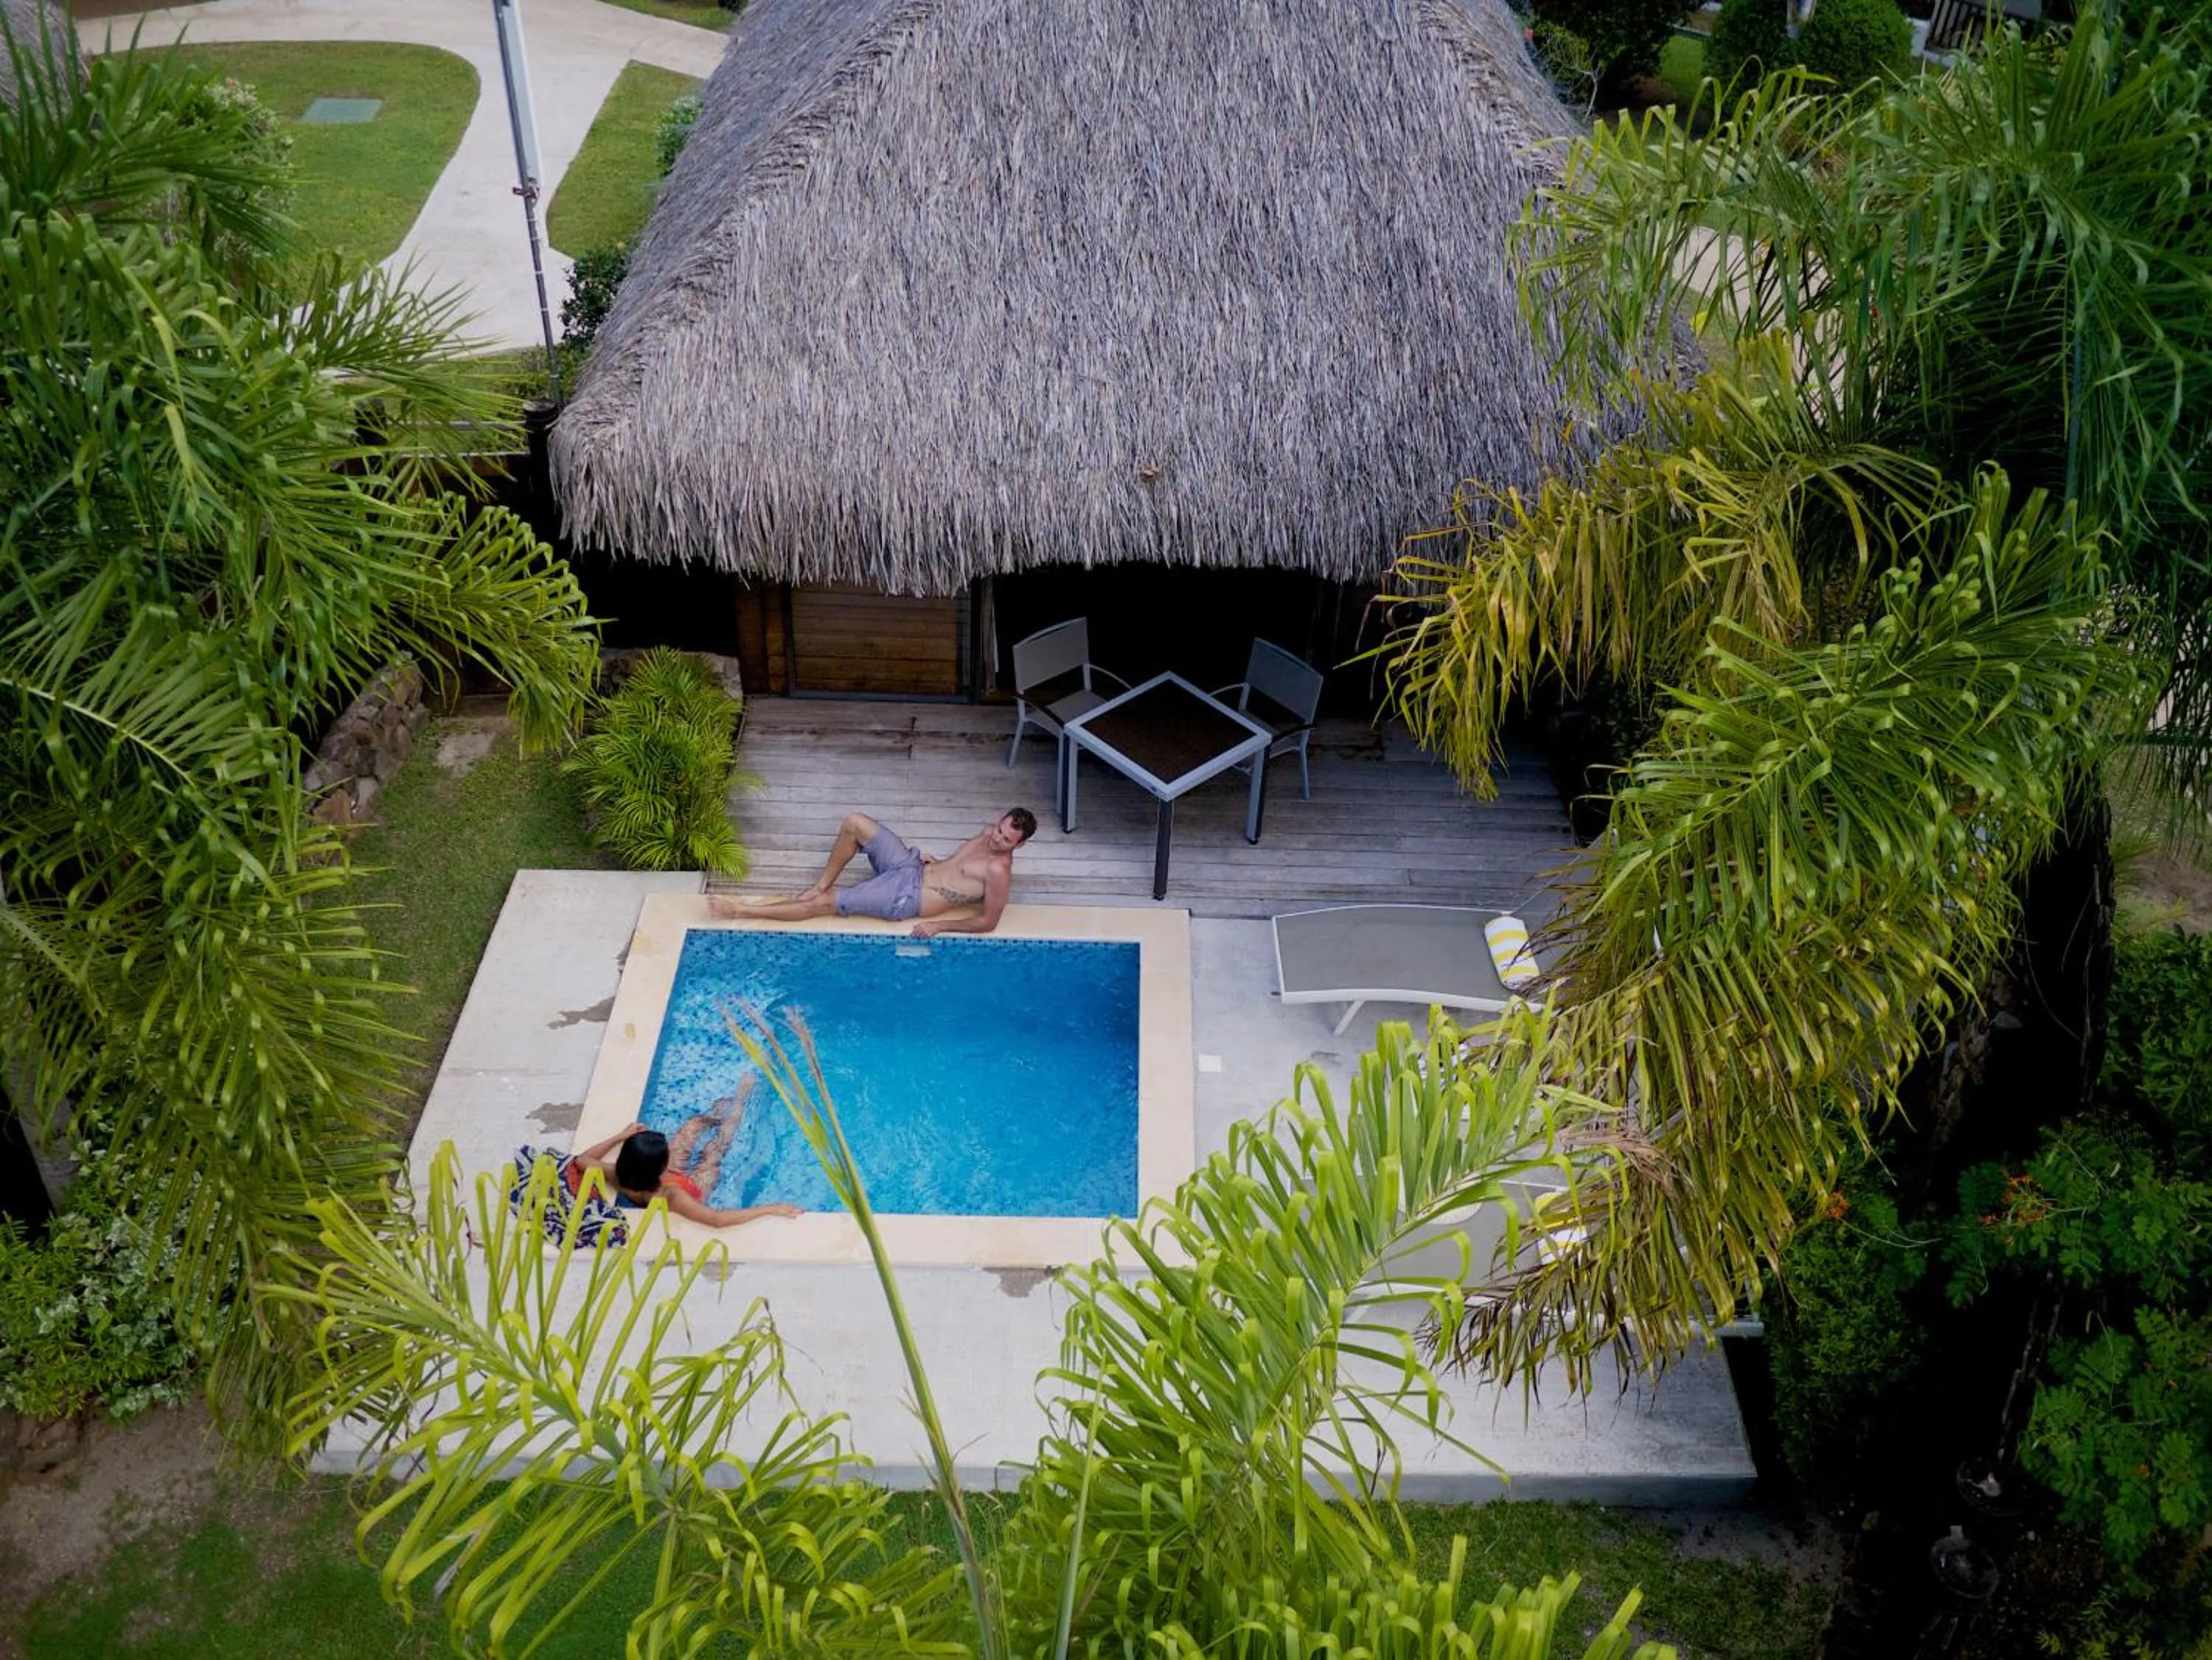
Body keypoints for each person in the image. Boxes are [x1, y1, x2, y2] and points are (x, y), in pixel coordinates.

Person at [714, 807, 1035, 937]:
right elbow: (960, 868)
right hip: (912, 866)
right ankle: (819, 884)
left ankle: (740, 911)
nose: (996, 838)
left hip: (907, 896)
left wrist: (939, 926)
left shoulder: (999, 870)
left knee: (827, 903)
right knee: (855, 822)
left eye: (1006, 840)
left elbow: (988, 921)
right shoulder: (986, 833)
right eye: (999, 829)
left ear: (1018, 847)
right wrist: (939, 863)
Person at [568, 1078, 801, 1229]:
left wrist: (620, 1136)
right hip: (694, 1187)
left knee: (692, 1126)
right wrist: (772, 1208)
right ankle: (741, 1098)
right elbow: (717, 1220)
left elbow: (581, 1159)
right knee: (716, 1149)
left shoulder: (616, 1173)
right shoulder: (672, 1197)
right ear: (663, 1167)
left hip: (654, 1178)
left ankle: (713, 1118)